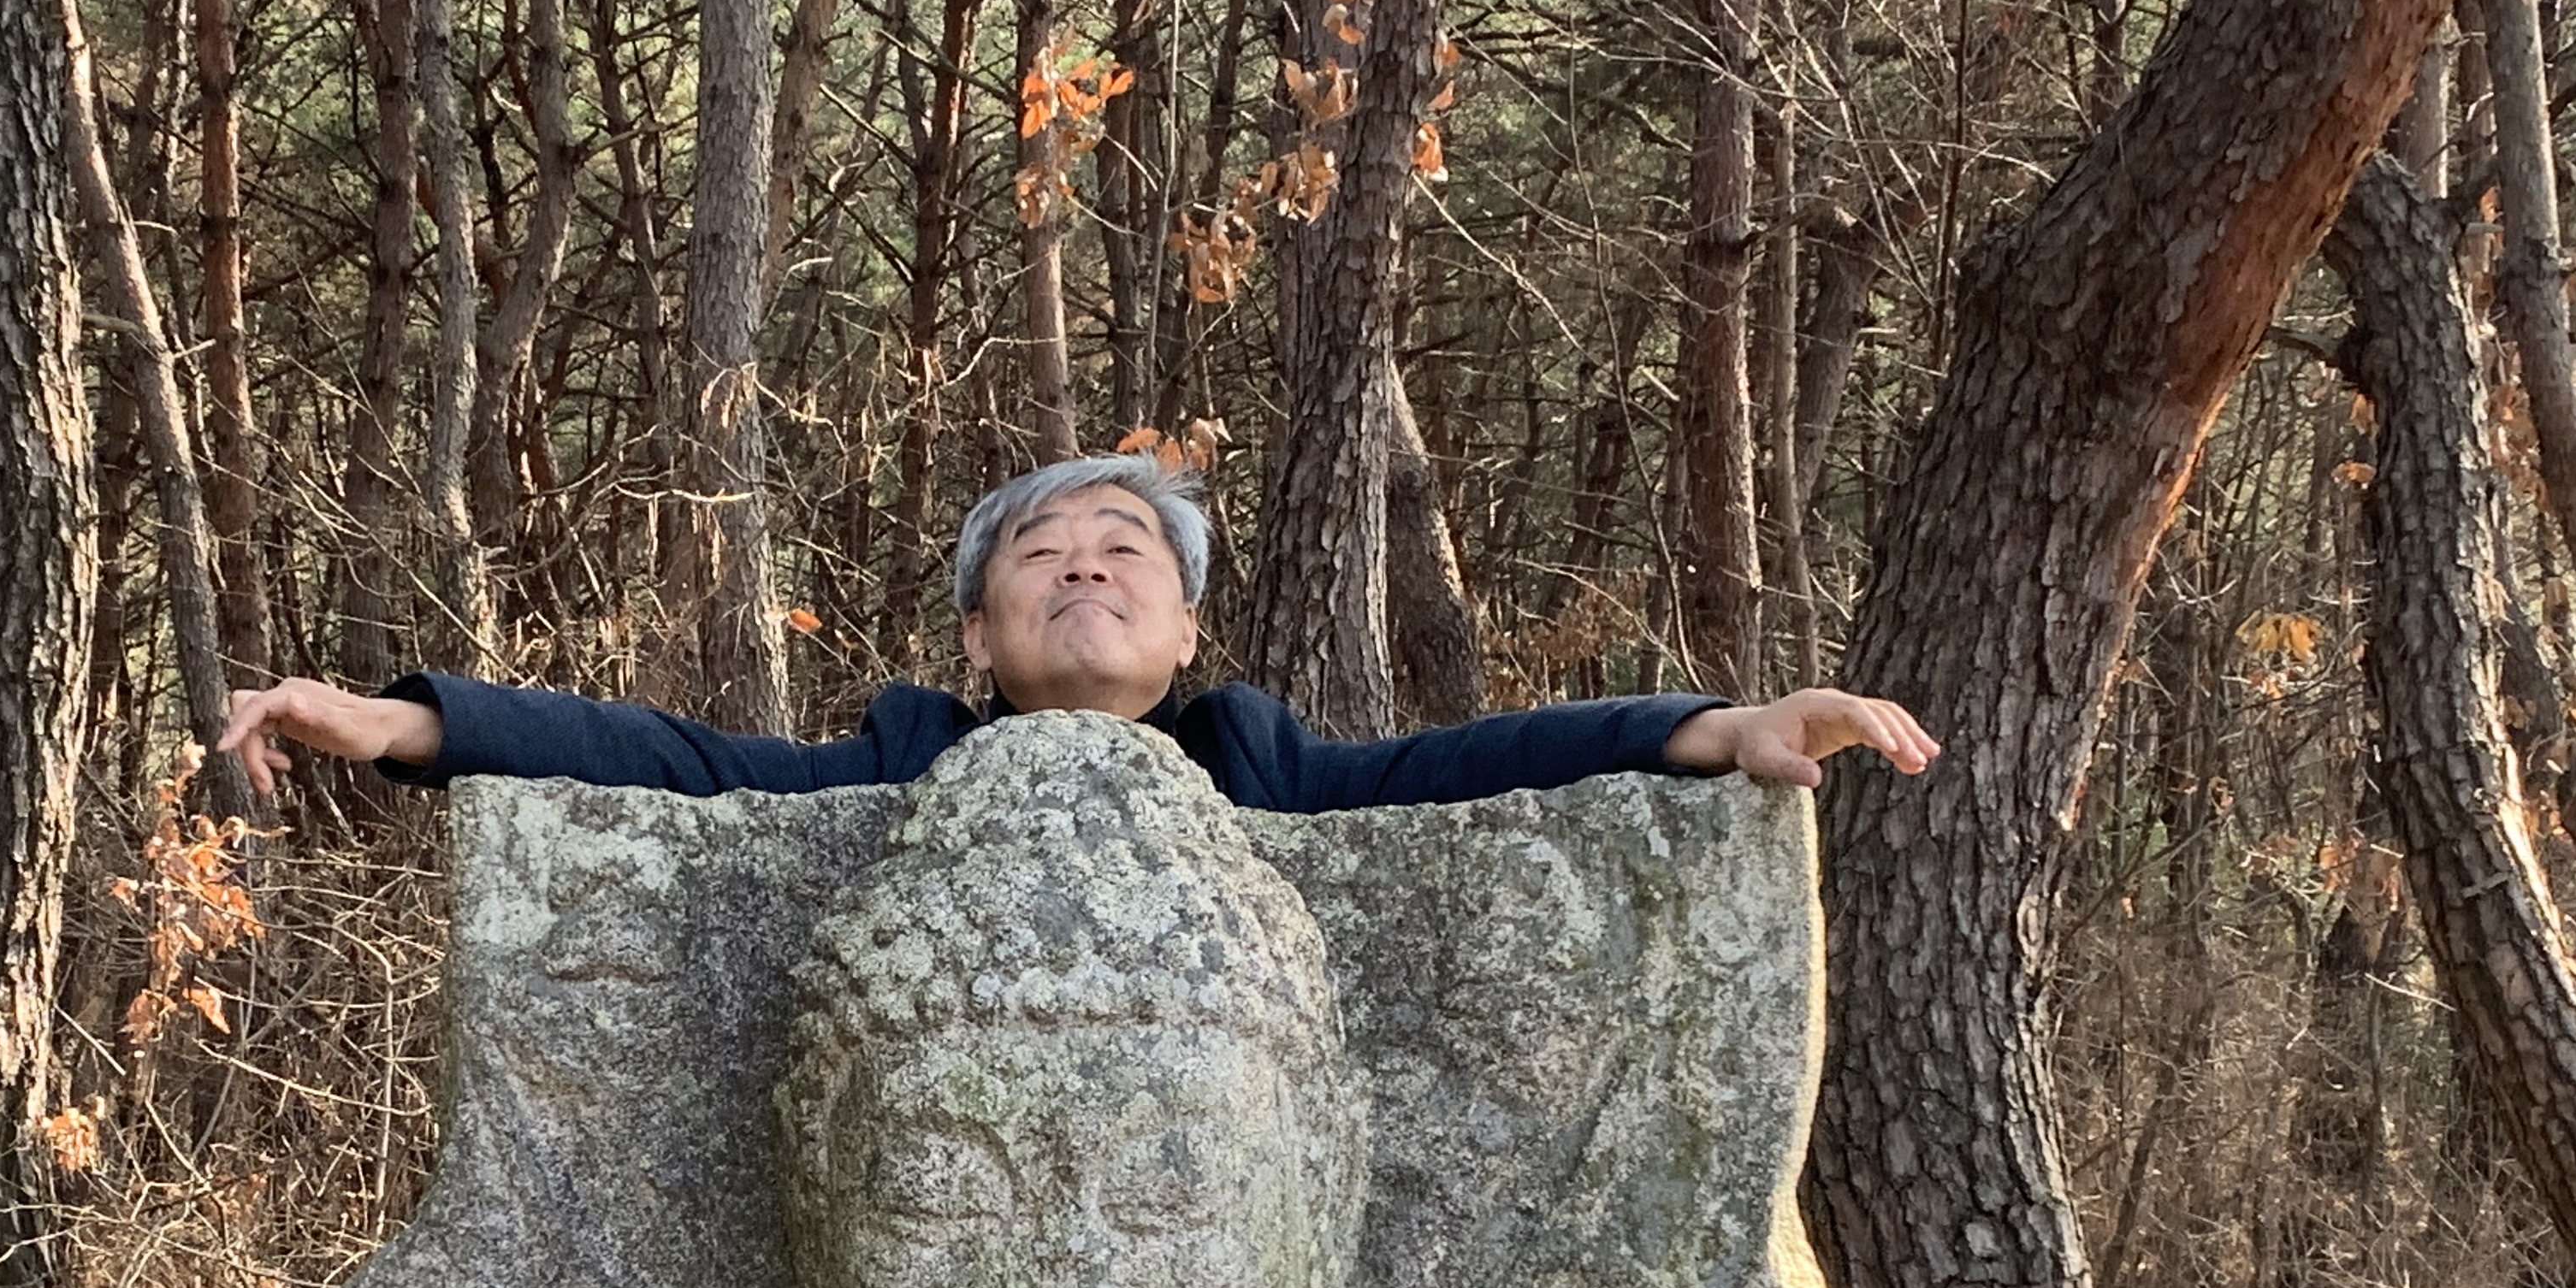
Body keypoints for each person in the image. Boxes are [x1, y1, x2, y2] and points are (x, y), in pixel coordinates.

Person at [216, 452, 1938, 812]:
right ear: (977, 632)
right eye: (1043, 556)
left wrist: (1713, 730)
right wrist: (409, 720)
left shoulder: (1252, 761)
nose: (1086, 570)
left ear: (1185, 631)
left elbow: (1466, 765)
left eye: (1127, 554)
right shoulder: (906, 760)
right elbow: (682, 762)